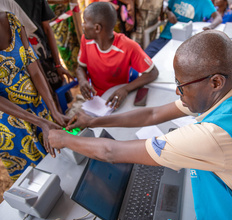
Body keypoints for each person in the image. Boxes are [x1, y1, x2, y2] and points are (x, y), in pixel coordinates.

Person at [48, 29, 232, 220]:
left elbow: (111, 152)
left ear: (215, 81)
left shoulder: (213, 135)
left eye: (182, 85)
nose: (177, 91)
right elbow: (153, 113)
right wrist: (93, 121)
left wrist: (64, 139)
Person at [0, 12, 68, 180]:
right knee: (37, 179)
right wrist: (41, 122)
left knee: (60, 161)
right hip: (11, 126)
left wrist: (53, 110)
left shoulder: (11, 20)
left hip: (38, 106)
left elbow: (34, 69)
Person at [77, 2, 158, 109]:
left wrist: (125, 89)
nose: (83, 26)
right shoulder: (86, 40)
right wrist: (82, 80)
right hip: (94, 100)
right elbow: (80, 67)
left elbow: (153, 72)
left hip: (116, 98)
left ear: (97, 28)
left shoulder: (128, 46)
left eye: (85, 22)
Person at [14, 0, 74, 107]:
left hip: (45, 60)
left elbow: (47, 29)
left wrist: (57, 64)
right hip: (25, 67)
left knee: (59, 102)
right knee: (46, 105)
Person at [144, 0, 223, 58]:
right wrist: (168, 12)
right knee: (145, 58)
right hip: (165, 37)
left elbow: (218, 17)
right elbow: (167, 8)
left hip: (186, 41)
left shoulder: (204, 2)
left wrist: (210, 27)